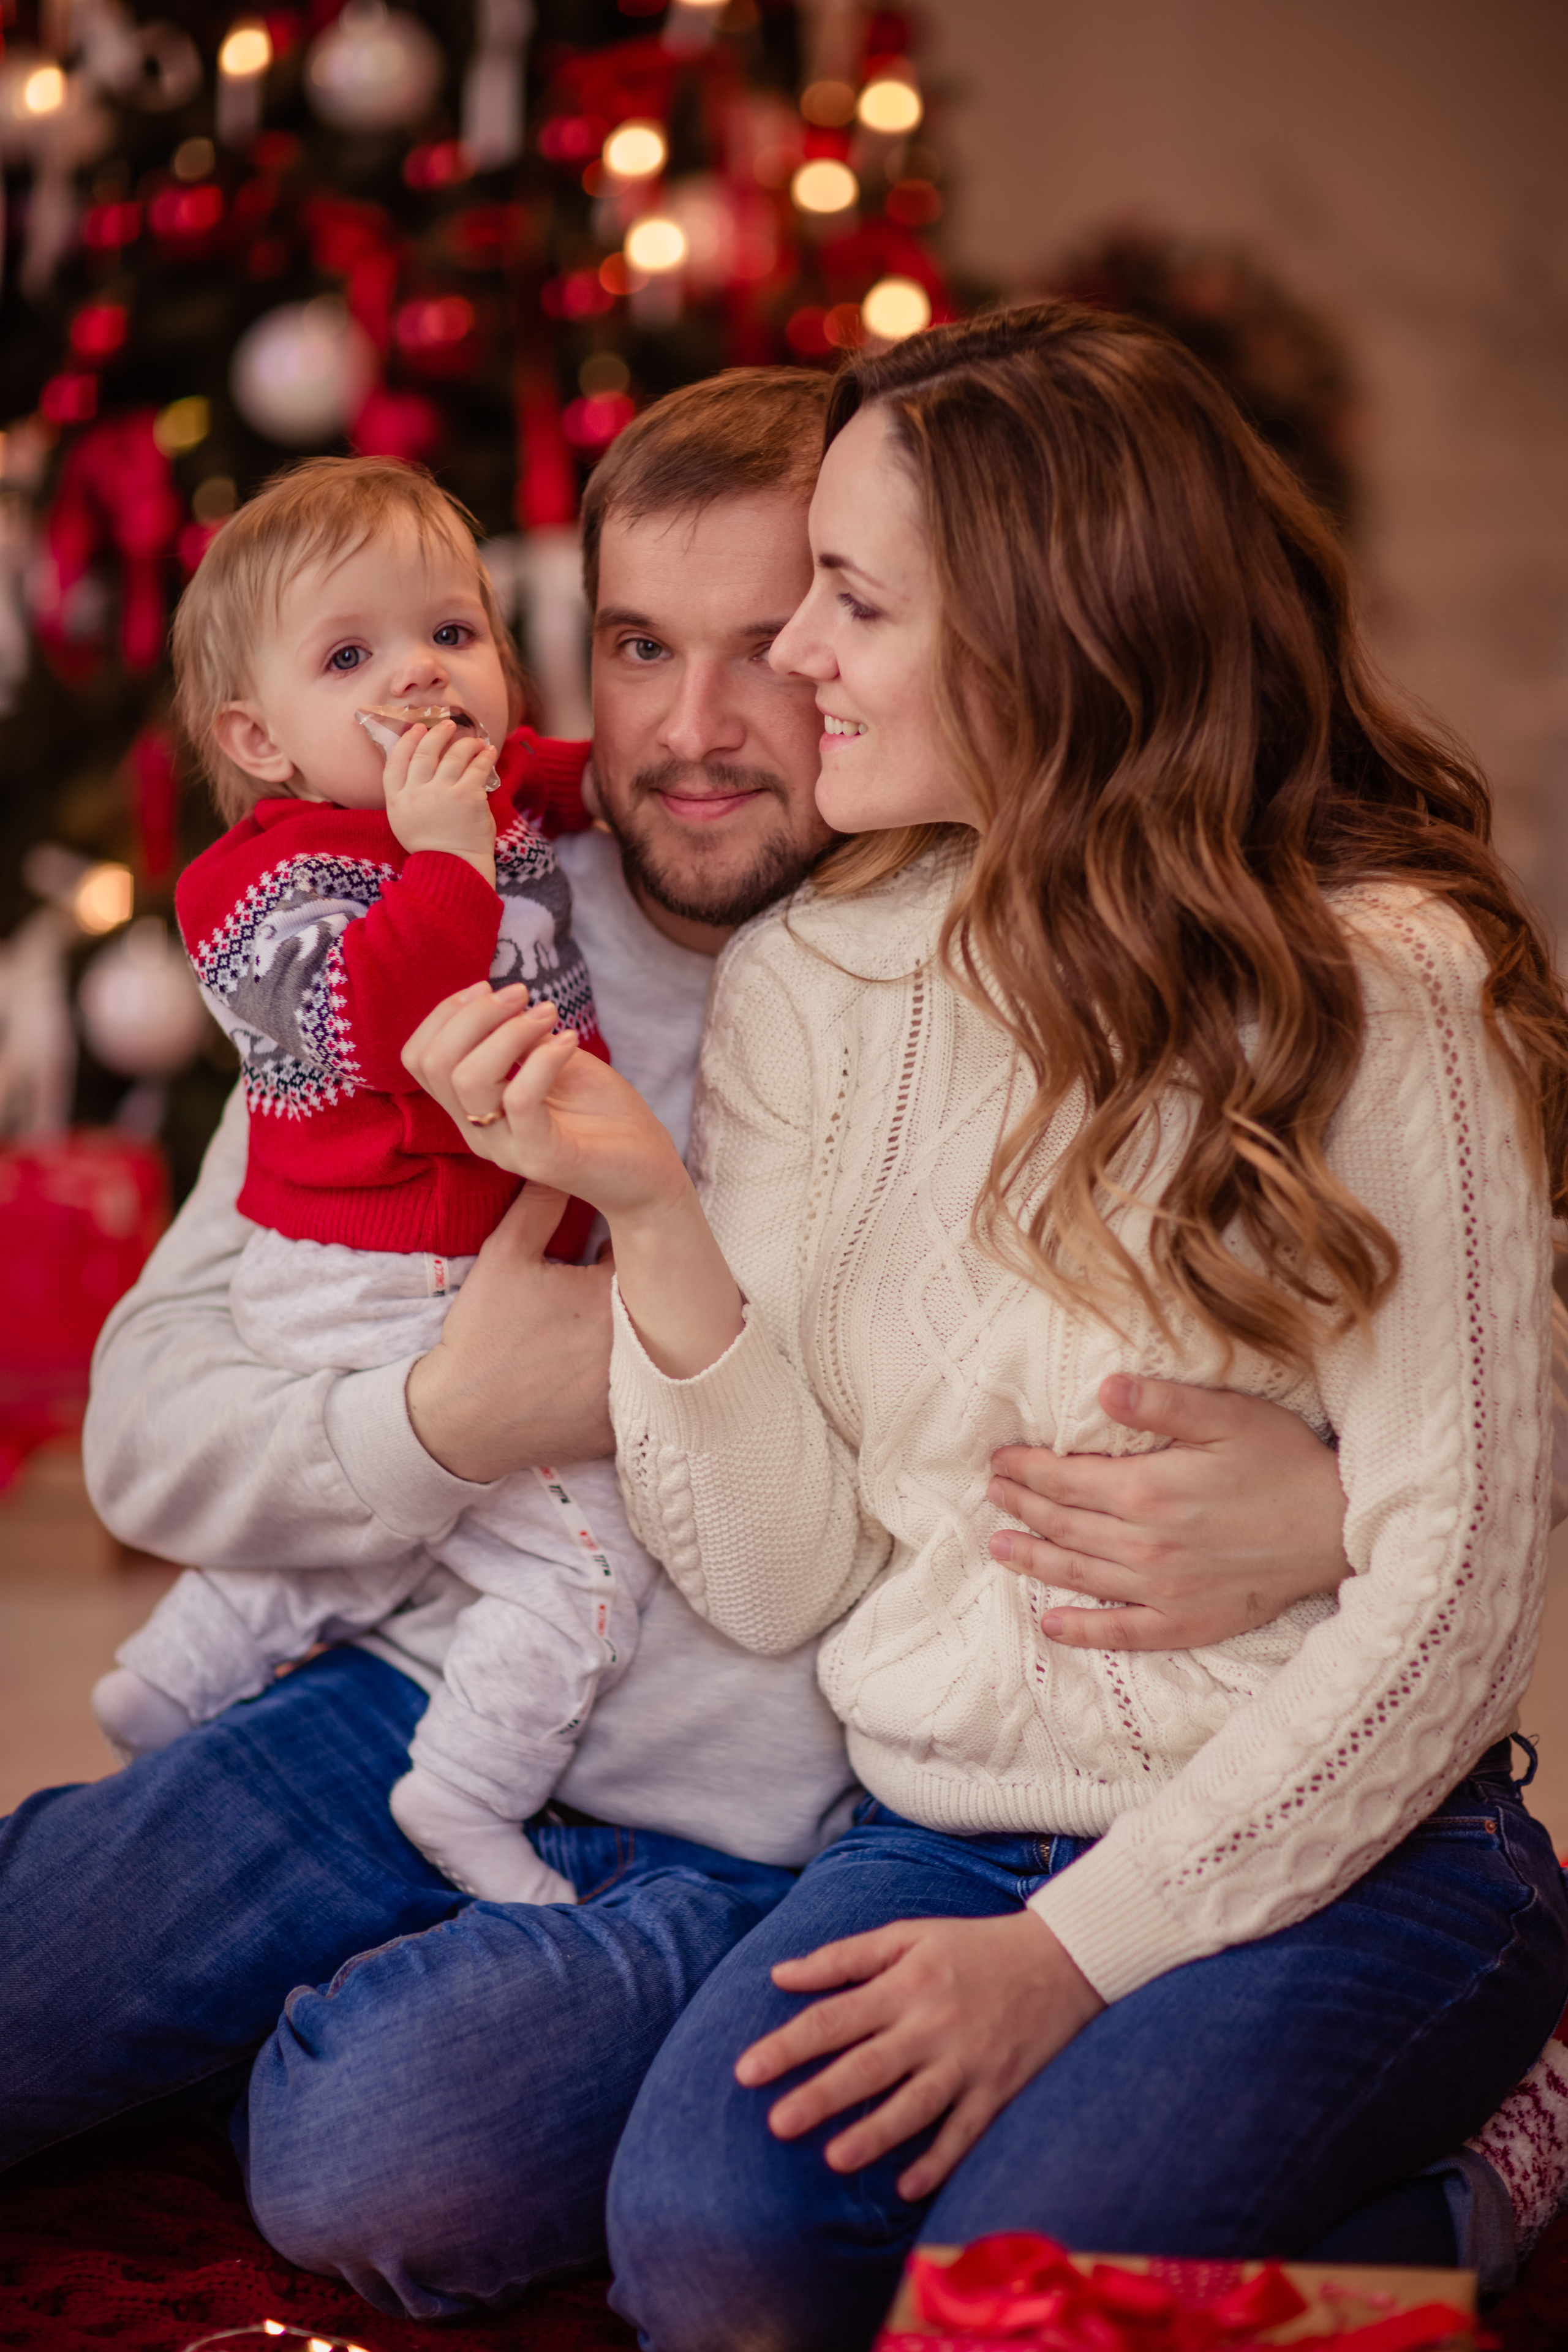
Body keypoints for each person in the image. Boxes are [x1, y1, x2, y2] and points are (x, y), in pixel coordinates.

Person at [0, 364, 1548, 2323]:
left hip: (766, 1816)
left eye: (805, 621)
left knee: (387, 2152)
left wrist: (1337, 1507)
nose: (713, 718)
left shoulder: (1171, 961)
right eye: (643, 645)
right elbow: (149, 1428)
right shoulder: (469, 916)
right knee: (57, 1985)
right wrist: (448, 1411)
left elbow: (1466, 1377)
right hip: (435, 1680)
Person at [88, 454, 659, 1910]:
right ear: (259, 740)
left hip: (435, 1265)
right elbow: (388, 1022)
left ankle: (171, 1678)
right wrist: (445, 858)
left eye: (452, 632)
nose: (420, 674)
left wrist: (633, 777)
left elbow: (574, 778)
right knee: (578, 1567)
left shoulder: (470, 789)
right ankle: (465, 1788)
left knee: (400, 1530)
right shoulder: (253, 887)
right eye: (351, 657)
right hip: (381, 1272)